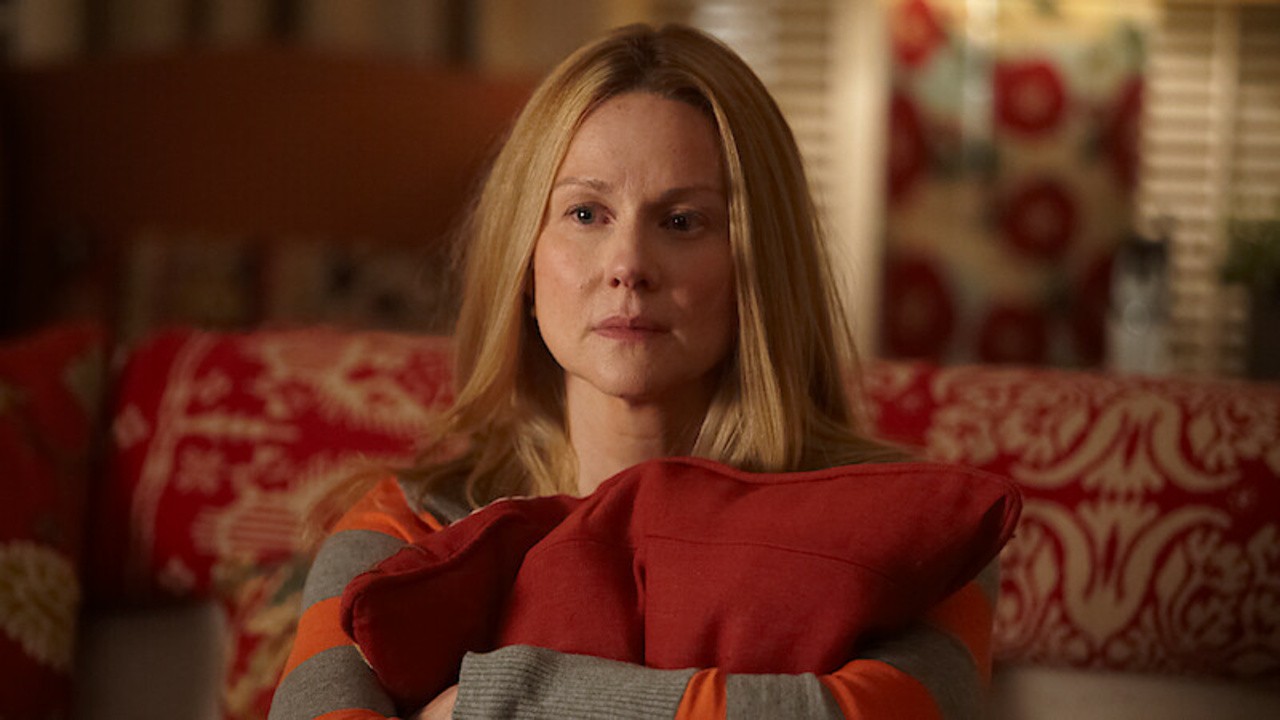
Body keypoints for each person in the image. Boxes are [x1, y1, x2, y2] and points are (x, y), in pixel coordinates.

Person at [271, 23, 998, 720]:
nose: (628, 266)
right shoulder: (402, 528)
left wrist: (490, 703)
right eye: (586, 214)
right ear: (525, 260)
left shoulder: (909, 526)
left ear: (759, 268)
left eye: (682, 221)